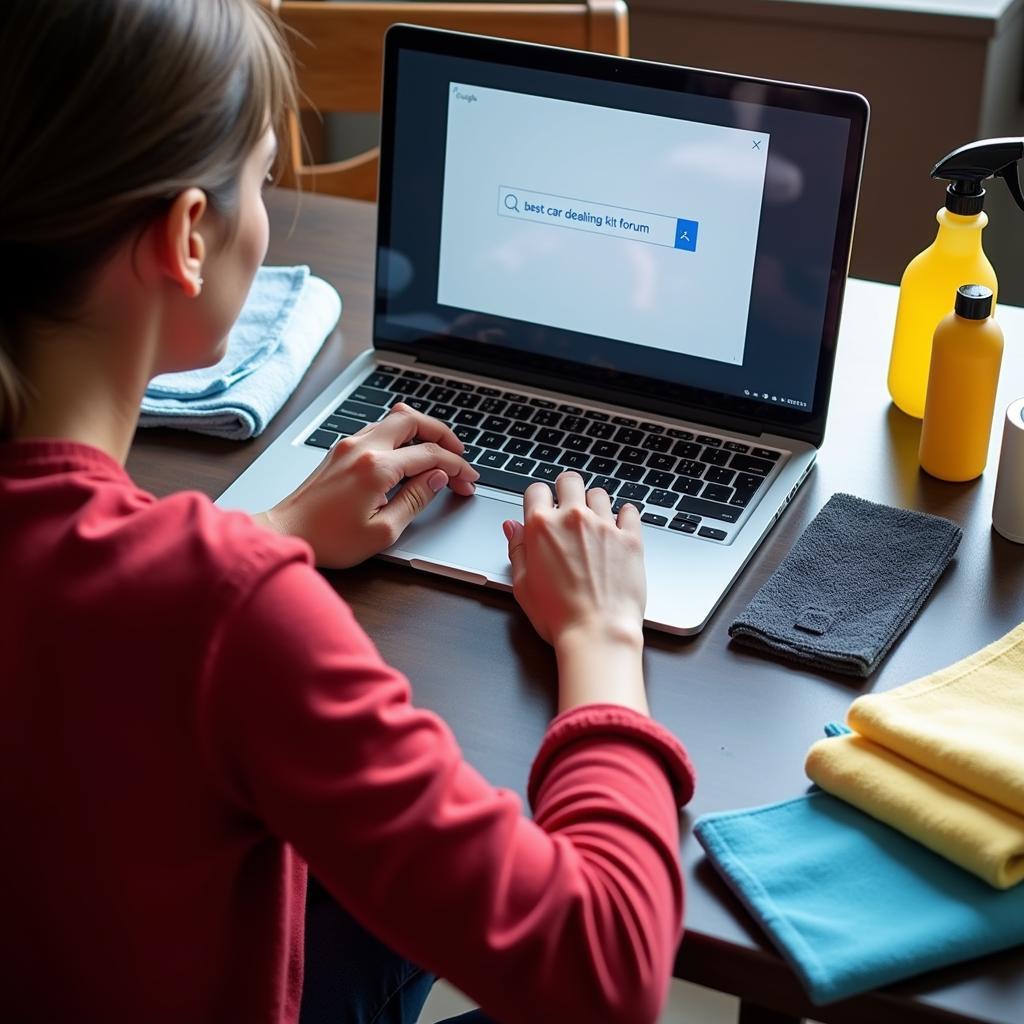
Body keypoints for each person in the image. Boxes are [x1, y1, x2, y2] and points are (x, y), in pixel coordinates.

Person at [0, 2, 695, 1022]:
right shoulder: (229, 614)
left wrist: (268, 532)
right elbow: (607, 968)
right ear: (189, 235)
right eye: (261, 178)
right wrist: (601, 640)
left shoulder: (193, 581)